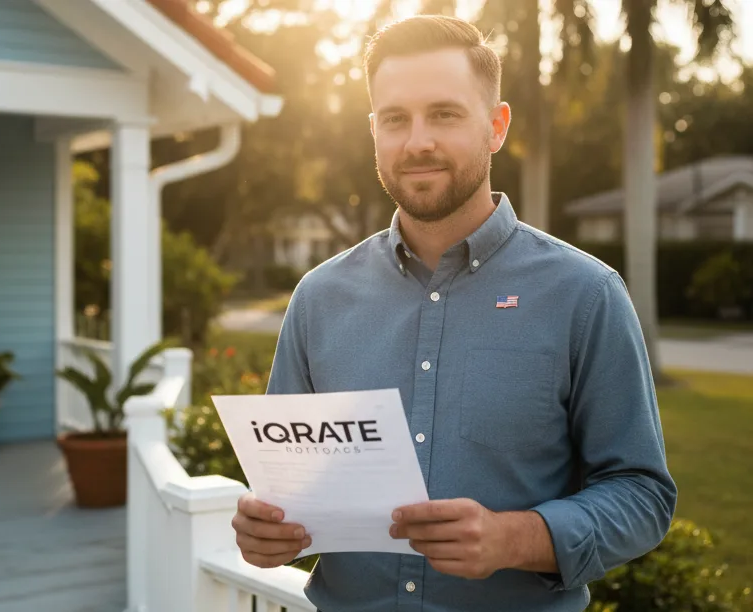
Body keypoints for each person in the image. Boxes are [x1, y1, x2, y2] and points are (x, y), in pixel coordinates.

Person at [229, 13, 677, 612]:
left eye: (444, 114)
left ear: (496, 127)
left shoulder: (586, 295)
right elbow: (289, 494)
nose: (418, 142)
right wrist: (267, 531)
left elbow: (642, 495)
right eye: (395, 119)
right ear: (373, 132)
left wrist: (513, 538)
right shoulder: (318, 298)